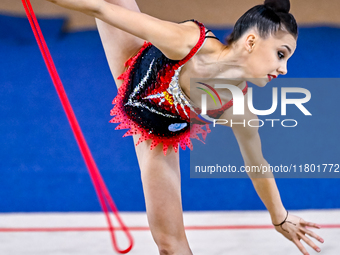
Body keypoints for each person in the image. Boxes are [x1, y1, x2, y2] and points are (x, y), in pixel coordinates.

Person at [46, 0, 324, 254]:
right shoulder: (190, 43)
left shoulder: (238, 107)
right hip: (130, 59)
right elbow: (101, 10)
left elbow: (257, 164)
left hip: (155, 138)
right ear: (251, 41)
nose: (284, 69)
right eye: (280, 54)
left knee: (170, 245)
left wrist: (280, 217)